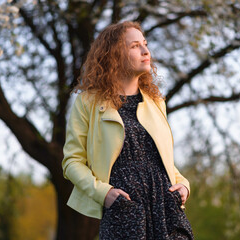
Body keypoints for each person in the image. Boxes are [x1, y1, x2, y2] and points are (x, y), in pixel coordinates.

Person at [62, 21, 194, 239]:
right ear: (114, 54)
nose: (145, 51)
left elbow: (162, 161)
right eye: (135, 46)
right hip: (124, 211)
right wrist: (104, 194)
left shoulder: (156, 101)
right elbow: (72, 162)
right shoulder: (88, 102)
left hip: (166, 209)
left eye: (145, 44)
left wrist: (184, 186)